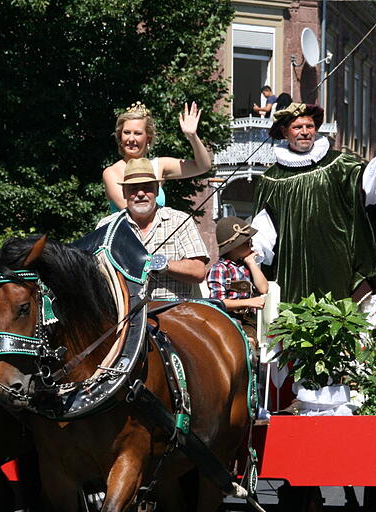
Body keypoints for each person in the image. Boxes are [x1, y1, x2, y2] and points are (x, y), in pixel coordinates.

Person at [249, 102, 376, 303]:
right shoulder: (272, 179)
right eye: (297, 127)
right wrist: (254, 257)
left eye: (309, 126)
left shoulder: (339, 165)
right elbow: (264, 228)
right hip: (293, 270)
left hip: (338, 266)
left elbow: (368, 191)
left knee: (340, 314)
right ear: (285, 132)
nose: (305, 132)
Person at [97, 157, 209, 300]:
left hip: (173, 310)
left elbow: (198, 271)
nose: (140, 193)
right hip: (124, 311)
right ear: (124, 193)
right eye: (133, 189)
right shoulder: (107, 226)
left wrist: (161, 264)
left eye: (147, 187)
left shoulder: (180, 220)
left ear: (157, 191)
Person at [102, 101, 212, 212]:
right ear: (120, 137)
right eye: (126, 132)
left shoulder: (158, 165)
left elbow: (203, 166)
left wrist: (192, 136)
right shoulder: (111, 172)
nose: (131, 139)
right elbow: (134, 212)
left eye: (137, 133)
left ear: (148, 138)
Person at [207, 216, 269, 347]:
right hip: (227, 320)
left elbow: (263, 288)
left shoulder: (247, 266)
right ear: (234, 247)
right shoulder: (220, 268)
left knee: (250, 342)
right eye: (247, 242)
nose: (251, 245)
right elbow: (218, 302)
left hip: (248, 323)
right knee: (243, 344)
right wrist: (249, 302)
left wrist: (251, 263)